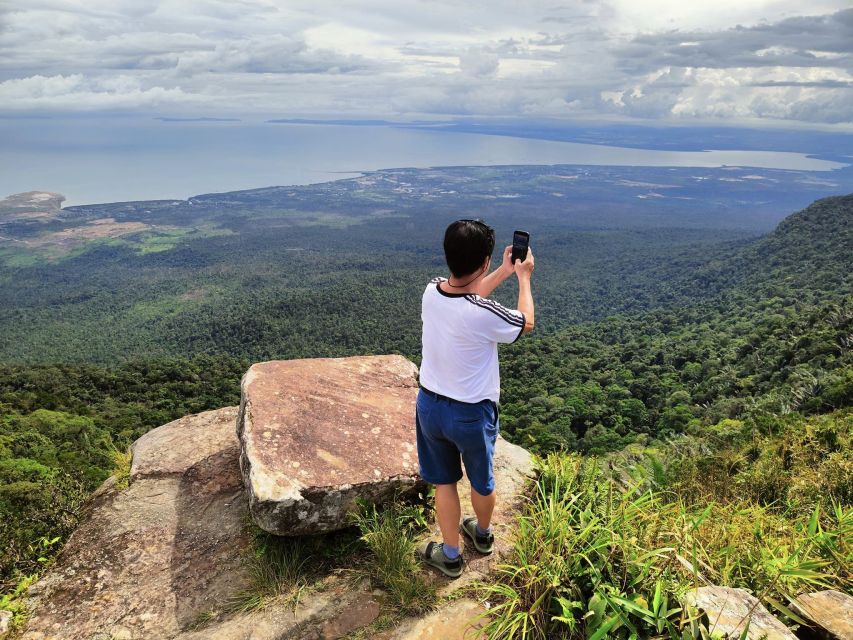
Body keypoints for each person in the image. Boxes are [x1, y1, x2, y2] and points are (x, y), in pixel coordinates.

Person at [416, 218, 535, 578]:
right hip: (471, 413)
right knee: (481, 479)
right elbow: (525, 322)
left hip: (431, 406)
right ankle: (482, 536)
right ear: (481, 262)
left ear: (448, 255)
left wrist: (501, 269)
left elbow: (467, 295)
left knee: (444, 482)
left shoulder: (430, 291)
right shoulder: (485, 314)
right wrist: (523, 277)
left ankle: (450, 555)